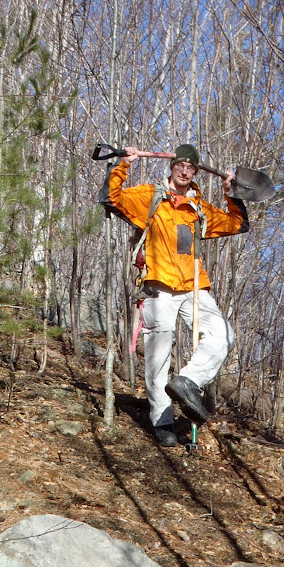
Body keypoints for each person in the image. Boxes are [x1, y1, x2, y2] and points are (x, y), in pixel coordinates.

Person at [100, 143, 249, 446]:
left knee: (223, 334)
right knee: (158, 359)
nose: (185, 170)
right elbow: (112, 197)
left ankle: (188, 381)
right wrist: (124, 165)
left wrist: (231, 194)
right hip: (158, 287)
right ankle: (162, 421)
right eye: (180, 165)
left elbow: (237, 224)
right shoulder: (150, 197)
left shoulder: (199, 208)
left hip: (193, 286)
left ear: (195, 172)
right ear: (172, 167)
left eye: (191, 167)